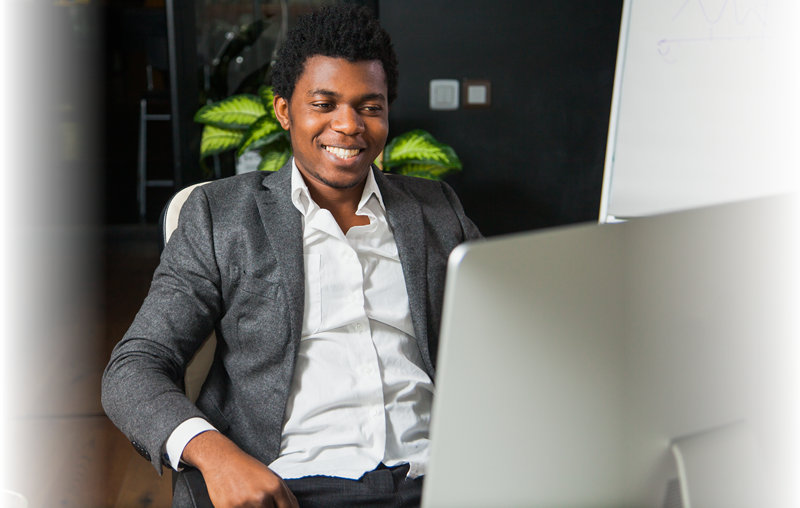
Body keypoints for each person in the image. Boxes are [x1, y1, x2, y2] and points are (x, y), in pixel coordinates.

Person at [102, 5, 481, 508]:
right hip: (293, 484)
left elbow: (510, 332)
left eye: (370, 106)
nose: (348, 125)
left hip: (441, 475)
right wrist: (215, 455)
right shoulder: (223, 216)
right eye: (324, 103)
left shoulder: (437, 210)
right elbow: (134, 367)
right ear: (284, 110)